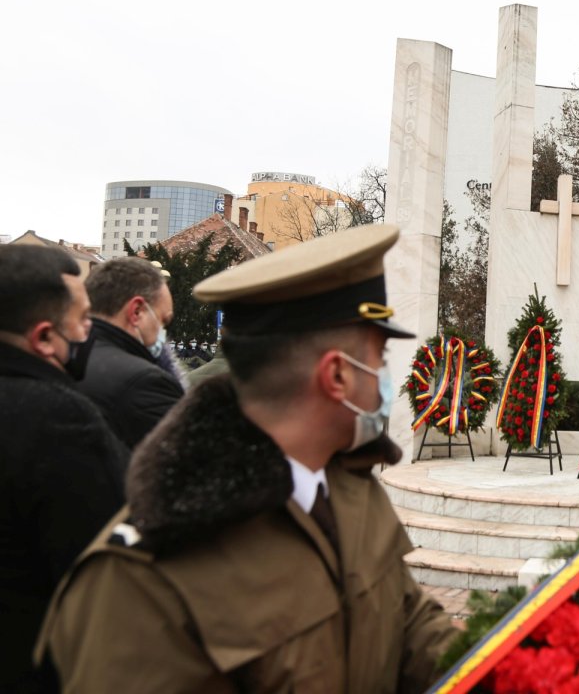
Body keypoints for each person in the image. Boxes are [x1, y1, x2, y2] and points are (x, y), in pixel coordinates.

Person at [38, 224, 458, 692]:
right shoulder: (141, 581)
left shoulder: (349, 487)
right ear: (337, 375)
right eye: (379, 358)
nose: (385, 377)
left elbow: (409, 623)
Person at [0, 244, 127, 693]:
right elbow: (104, 579)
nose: (90, 331)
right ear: (43, 338)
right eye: (84, 319)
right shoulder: (60, 420)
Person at [78, 257, 185, 449]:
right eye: (163, 321)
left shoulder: (60, 359)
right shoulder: (145, 383)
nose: (162, 331)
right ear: (136, 312)